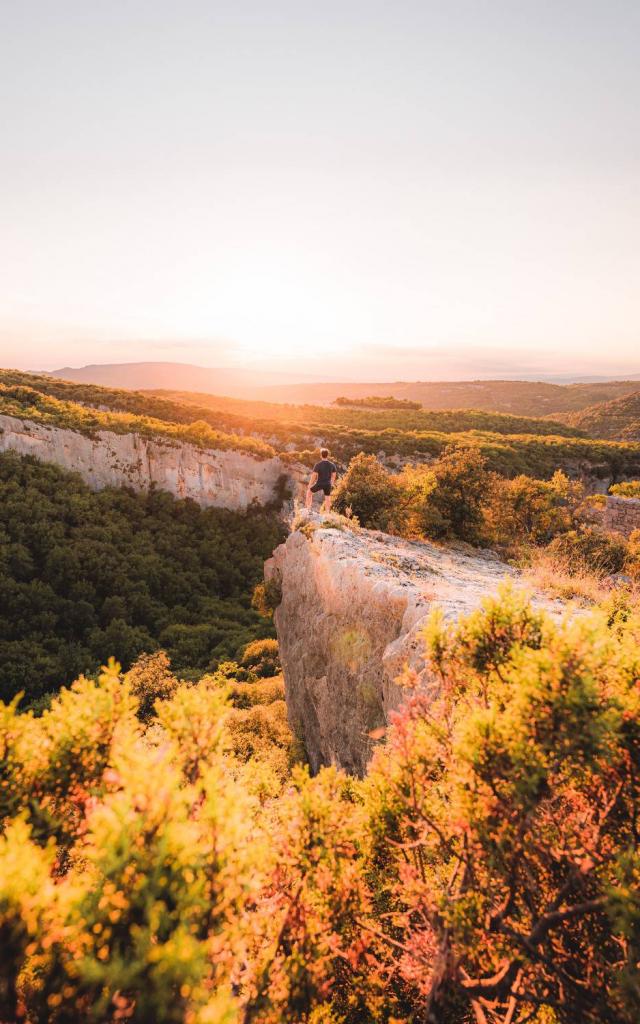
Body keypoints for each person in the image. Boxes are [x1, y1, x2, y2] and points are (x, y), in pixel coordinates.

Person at [305, 448, 337, 512]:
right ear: (327, 455)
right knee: (327, 498)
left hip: (320, 483)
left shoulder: (318, 465)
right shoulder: (332, 465)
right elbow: (334, 475)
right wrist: (332, 483)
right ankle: (328, 512)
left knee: (309, 492)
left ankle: (308, 509)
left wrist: (310, 485)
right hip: (328, 484)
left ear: (321, 455)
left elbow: (313, 476)